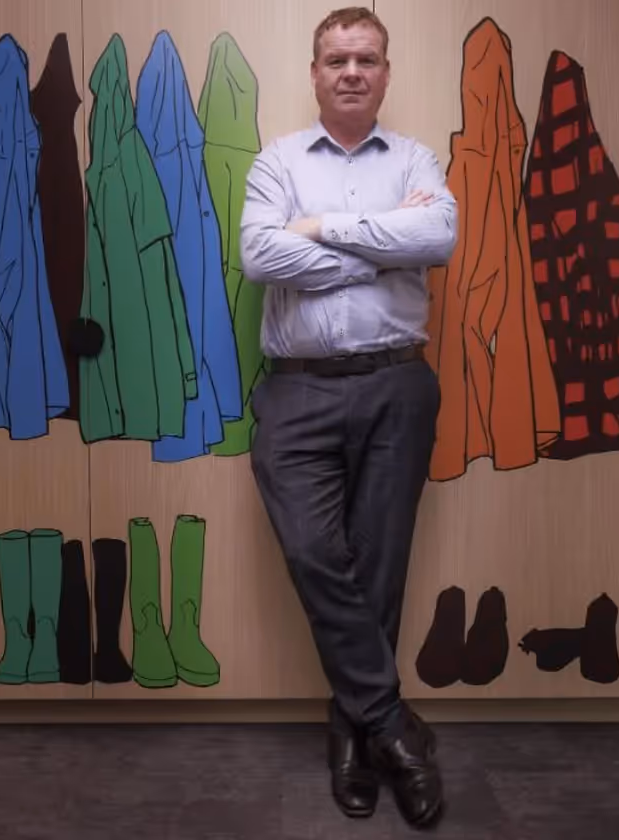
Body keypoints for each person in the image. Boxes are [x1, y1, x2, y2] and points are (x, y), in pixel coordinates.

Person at [238, 6, 457, 828]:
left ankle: (351, 733)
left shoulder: (416, 160)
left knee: (380, 565)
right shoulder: (277, 160)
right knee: (314, 552)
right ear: (316, 71)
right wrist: (379, 246)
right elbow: (261, 256)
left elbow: (436, 236)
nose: (352, 71)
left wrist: (322, 229)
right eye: (337, 59)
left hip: (398, 385)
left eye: (367, 58)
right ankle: (394, 729)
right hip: (296, 390)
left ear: (387, 71)